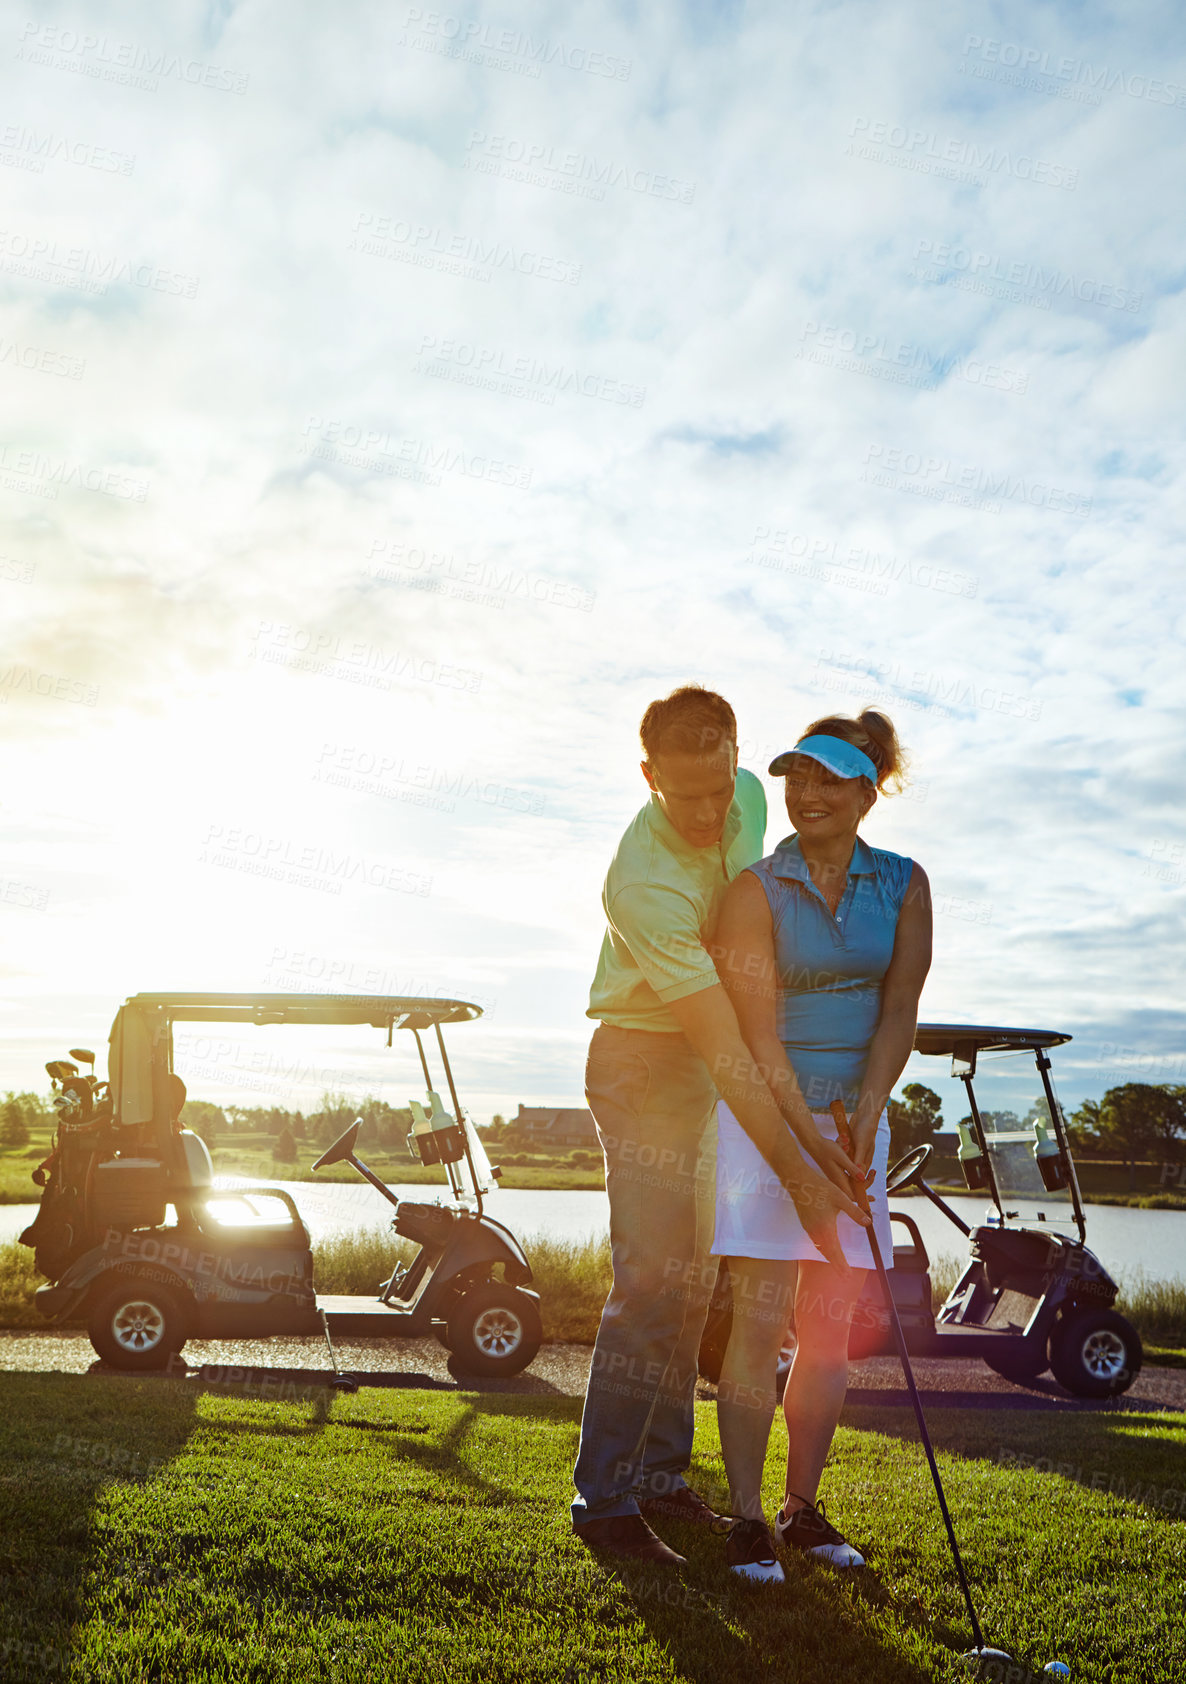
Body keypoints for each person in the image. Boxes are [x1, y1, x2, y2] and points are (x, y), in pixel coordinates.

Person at [571, 686, 870, 1566]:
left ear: (737, 760)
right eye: (683, 793)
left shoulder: (743, 790)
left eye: (719, 787)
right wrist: (802, 1176)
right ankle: (604, 1497)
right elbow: (714, 1037)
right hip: (647, 1061)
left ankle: (664, 1479)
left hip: (718, 1056)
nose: (710, 811)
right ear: (647, 777)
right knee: (652, 1279)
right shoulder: (641, 886)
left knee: (696, 1284)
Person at [710, 711, 932, 1582]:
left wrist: (867, 1120)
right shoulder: (754, 891)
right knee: (758, 1324)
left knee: (830, 1331)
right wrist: (808, 1143)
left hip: (855, 1126)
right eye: (794, 778)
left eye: (828, 781)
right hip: (768, 1120)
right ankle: (743, 1516)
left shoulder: (906, 884)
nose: (804, 795)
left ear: (868, 792)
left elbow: (899, 1010)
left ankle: (803, 1508)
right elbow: (756, 1041)